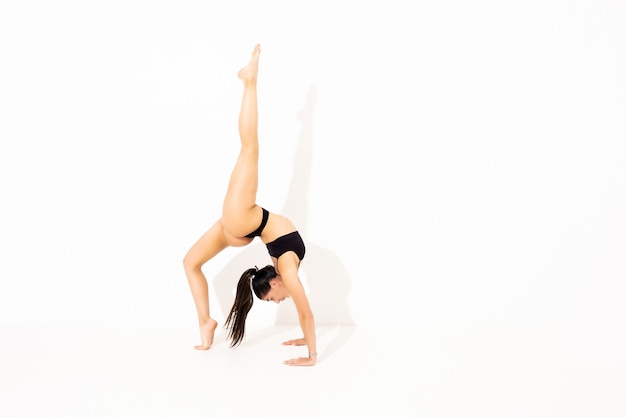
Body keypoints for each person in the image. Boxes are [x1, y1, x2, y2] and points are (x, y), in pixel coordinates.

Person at [182, 44, 317, 366]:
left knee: (248, 149)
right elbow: (306, 311)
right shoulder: (287, 269)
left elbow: (303, 312)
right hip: (242, 222)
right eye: (274, 298)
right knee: (249, 146)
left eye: (271, 300)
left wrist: (304, 335)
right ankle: (250, 81)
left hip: (241, 222)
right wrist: (311, 354)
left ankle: (250, 82)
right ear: (274, 281)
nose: (277, 301)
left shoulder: (285, 265)